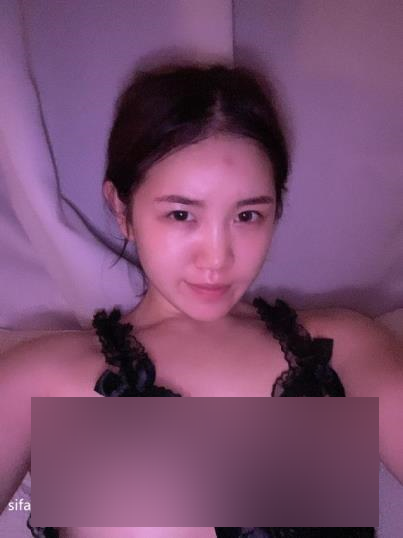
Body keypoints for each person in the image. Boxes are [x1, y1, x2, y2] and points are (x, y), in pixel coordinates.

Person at [1, 60, 402, 538]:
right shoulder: (38, 380)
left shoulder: (342, 350)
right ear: (122, 209)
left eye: (247, 216)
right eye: (181, 215)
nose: (217, 257)